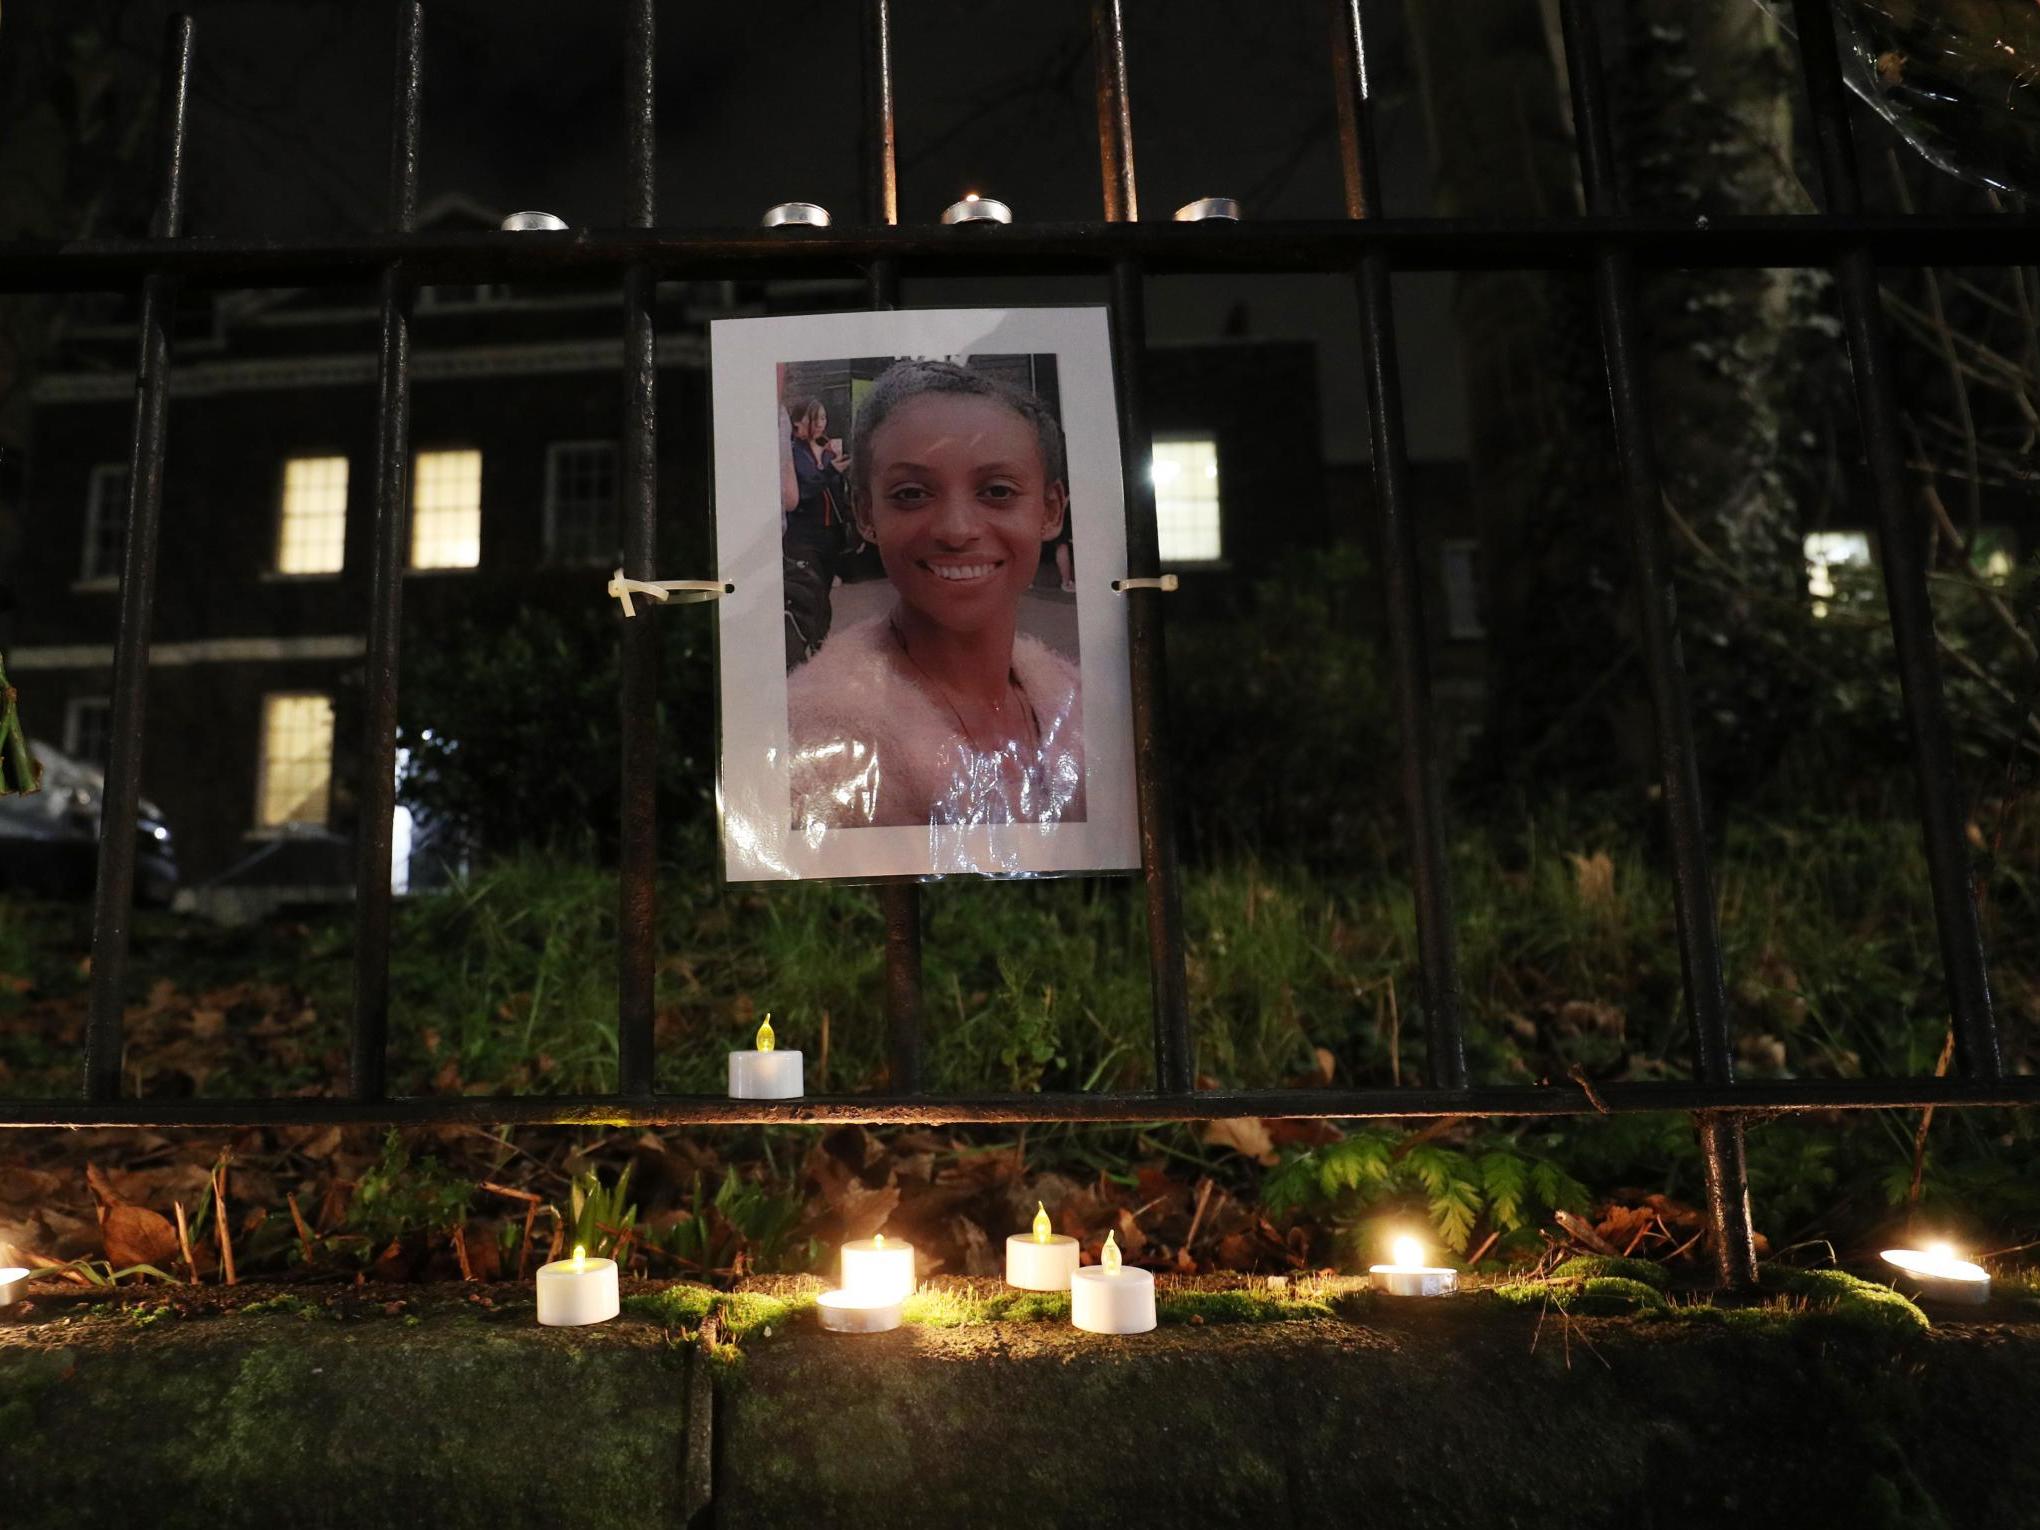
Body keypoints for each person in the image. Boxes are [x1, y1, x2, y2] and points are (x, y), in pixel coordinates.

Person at [785, 359, 1084, 830]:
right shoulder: (815, 745)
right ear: (865, 513)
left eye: (998, 491)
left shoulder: (1079, 703)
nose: (956, 530)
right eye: (911, 494)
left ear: (1050, 510)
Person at [782, 397, 850, 667]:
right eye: (815, 419)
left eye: (823, 418)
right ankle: (809, 643)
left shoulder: (827, 449)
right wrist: (830, 471)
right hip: (804, 534)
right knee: (813, 592)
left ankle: (820, 642)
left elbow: (835, 491)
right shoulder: (794, 454)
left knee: (825, 590)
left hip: (830, 533)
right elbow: (804, 492)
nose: (821, 424)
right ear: (798, 422)